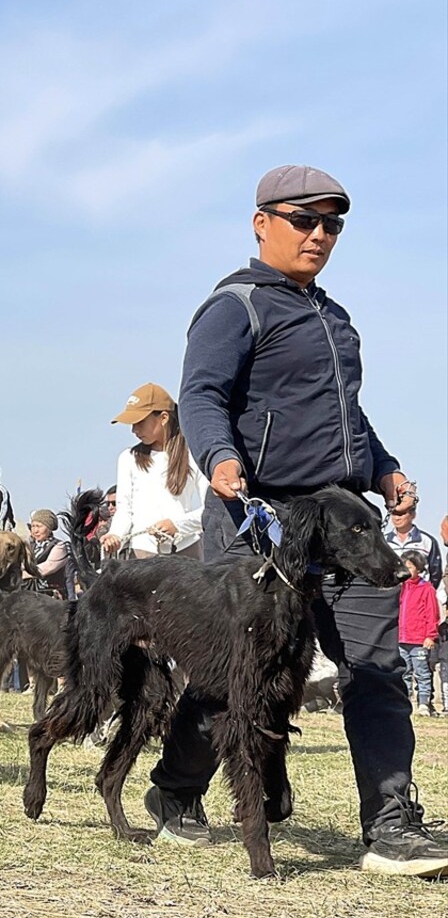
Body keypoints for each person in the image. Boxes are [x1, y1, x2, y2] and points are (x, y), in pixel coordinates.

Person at [162, 164, 445, 876]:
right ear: (262, 223)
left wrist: (383, 467)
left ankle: (391, 826)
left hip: (345, 529)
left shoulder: (334, 317)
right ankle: (175, 791)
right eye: (303, 220)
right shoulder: (235, 307)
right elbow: (199, 397)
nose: (320, 235)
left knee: (375, 670)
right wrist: (221, 456)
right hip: (262, 526)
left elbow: (349, 417)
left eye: (332, 225)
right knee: (233, 682)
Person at [100, 383, 207, 560]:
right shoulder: (128, 458)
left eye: (139, 422)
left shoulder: (193, 453)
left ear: (164, 417)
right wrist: (115, 535)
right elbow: (124, 509)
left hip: (187, 553)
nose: (134, 430)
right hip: (143, 554)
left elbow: (210, 508)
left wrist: (178, 525)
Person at [398, 551, 440, 718]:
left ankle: (423, 703)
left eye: (410, 567)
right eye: (404, 567)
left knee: (422, 673)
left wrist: (430, 635)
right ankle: (406, 702)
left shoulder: (426, 588)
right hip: (402, 638)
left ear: (419, 568)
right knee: (404, 672)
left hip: (419, 640)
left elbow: (432, 613)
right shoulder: (400, 587)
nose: (407, 571)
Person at [385, 505, 443, 589]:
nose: (397, 518)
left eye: (401, 514)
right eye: (394, 514)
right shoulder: (384, 540)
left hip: (418, 595)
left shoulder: (427, 541)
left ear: (413, 515)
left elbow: (435, 573)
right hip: (391, 594)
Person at [28, 509, 67, 596]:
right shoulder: (30, 546)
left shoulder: (59, 546)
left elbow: (48, 567)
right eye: (33, 526)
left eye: (39, 526)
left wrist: (23, 572)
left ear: (49, 528)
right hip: (31, 593)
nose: (35, 530)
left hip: (52, 595)